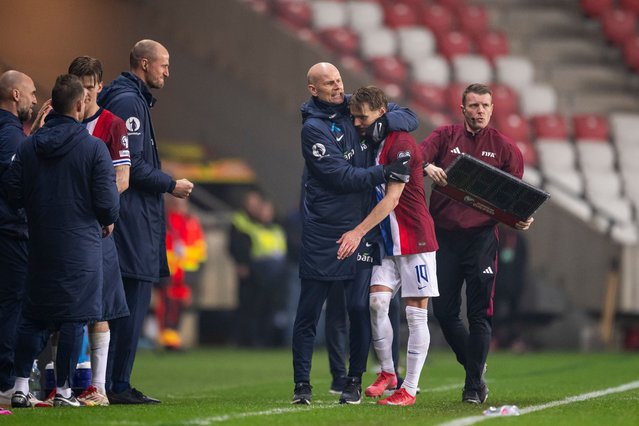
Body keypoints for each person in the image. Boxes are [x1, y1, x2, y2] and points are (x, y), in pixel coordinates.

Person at [292, 62, 418, 405]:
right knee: (310, 311)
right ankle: (302, 385)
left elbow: (409, 116)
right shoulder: (313, 129)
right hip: (324, 230)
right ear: (313, 89)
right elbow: (341, 177)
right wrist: (384, 171)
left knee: (359, 308)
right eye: (329, 83)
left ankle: (353, 380)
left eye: (338, 80)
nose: (337, 87)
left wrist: (382, 121)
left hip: (362, 228)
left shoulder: (354, 107)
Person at [4, 73, 120, 407]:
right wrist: (106, 219)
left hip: (39, 244)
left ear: (53, 104)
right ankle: (65, 392)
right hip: (80, 248)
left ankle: (22, 387)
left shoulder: (29, 146)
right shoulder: (93, 148)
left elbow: (12, 192)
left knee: (33, 317)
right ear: (81, 103)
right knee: (74, 318)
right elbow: (107, 204)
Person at [420, 83, 534, 404]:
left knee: (480, 314)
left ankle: (472, 387)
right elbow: (414, 157)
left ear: (492, 109)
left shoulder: (505, 149)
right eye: (473, 105)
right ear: (462, 108)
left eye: (485, 105)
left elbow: (516, 201)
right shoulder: (444, 137)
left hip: (482, 238)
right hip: (444, 237)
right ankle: (475, 367)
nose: (479, 111)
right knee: (443, 312)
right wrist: (427, 166)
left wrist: (521, 218)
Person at [98, 39, 194, 404]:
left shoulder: (128, 98)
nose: (167, 72)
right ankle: (116, 385)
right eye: (163, 65)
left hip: (130, 217)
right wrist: (171, 184)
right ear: (143, 63)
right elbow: (131, 166)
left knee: (121, 302)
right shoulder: (128, 101)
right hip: (132, 219)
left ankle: (109, 382)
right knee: (131, 301)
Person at [337, 86, 439, 406]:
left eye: (361, 117)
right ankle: (388, 372)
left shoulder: (403, 145)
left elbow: (393, 198)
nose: (356, 123)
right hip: (387, 241)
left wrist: (357, 232)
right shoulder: (379, 141)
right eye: (354, 117)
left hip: (414, 240)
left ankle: (408, 388)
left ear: (381, 114)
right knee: (378, 304)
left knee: (415, 316)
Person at [67, 56, 131, 406]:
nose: (87, 94)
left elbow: (123, 179)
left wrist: (93, 204)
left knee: (100, 308)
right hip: (63, 227)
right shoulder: (59, 121)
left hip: (96, 226)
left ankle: (99, 388)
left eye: (92, 87)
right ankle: (58, 385)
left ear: (100, 87)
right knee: (61, 309)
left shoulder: (112, 125)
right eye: (81, 87)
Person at [0, 70, 41, 408]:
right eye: (30, 92)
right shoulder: (10, 135)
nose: (34, 99)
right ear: (15, 95)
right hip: (10, 233)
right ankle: (4, 383)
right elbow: (14, 184)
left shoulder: (13, 133)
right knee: (11, 306)